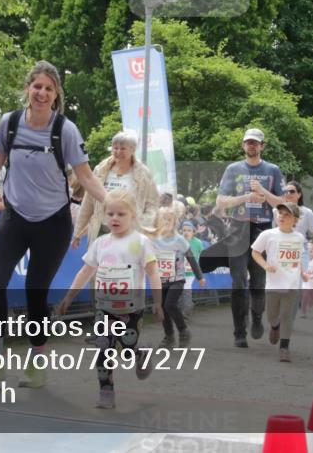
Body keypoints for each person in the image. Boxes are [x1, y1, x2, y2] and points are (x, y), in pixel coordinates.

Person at [0, 61, 107, 388]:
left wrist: (108, 200)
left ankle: (36, 361)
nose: (42, 93)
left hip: (53, 223)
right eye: (37, 86)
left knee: (34, 292)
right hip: (14, 218)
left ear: (56, 95)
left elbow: (85, 176)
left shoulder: (65, 130)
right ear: (28, 89)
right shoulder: (10, 123)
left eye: (49, 88)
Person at [56, 190, 162, 409]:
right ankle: (106, 391)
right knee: (103, 347)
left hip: (132, 308)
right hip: (104, 307)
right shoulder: (101, 243)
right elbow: (86, 271)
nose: (114, 218)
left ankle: (140, 352)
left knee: (127, 345)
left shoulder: (141, 243)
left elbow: (153, 272)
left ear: (133, 216)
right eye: (110, 213)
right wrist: (69, 296)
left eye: (121, 214)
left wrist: (158, 301)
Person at [203, 127, 284, 348]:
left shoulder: (273, 170)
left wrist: (263, 193)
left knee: (258, 283)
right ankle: (239, 331)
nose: (252, 146)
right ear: (243, 145)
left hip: (263, 231)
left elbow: (281, 202)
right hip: (238, 229)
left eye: (256, 143)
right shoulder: (233, 169)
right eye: (248, 142)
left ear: (262, 146)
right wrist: (246, 196)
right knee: (238, 283)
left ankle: (257, 317)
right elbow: (220, 202)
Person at [72, 131, 159, 248]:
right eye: (115, 148)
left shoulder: (143, 174)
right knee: (98, 264)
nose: (118, 152)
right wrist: (77, 233)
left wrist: (143, 224)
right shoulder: (100, 170)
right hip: (101, 230)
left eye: (123, 148)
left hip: (130, 232)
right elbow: (88, 202)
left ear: (132, 150)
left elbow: (153, 204)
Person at [250, 202, 309, 362]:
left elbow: (299, 257)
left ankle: (284, 347)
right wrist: (265, 265)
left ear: (295, 220)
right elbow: (255, 252)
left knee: (287, 316)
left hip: (291, 284)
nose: (282, 217)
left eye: (287, 215)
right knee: (272, 316)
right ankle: (274, 327)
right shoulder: (268, 235)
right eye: (280, 213)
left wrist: (303, 273)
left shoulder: (299, 237)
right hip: (273, 284)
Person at [152, 208, 205, 348]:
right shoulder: (154, 239)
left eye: (170, 219)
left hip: (178, 279)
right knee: (163, 308)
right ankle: (169, 336)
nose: (166, 222)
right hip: (161, 280)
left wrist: (199, 276)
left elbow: (191, 259)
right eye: (163, 219)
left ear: (175, 223)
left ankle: (183, 331)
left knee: (170, 305)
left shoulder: (179, 240)